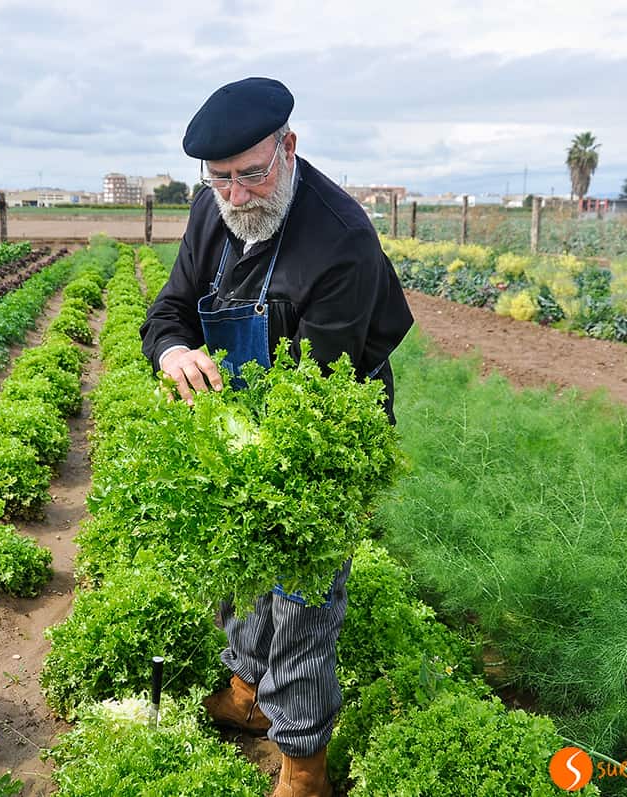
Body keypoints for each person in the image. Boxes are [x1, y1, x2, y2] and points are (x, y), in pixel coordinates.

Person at [139, 76, 413, 797]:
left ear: (287, 149)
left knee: (301, 598)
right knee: (241, 572)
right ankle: (247, 690)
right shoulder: (213, 209)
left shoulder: (342, 239)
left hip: (319, 428)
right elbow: (169, 309)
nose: (234, 196)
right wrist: (174, 352)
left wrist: (249, 449)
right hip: (240, 425)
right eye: (219, 179)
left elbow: (321, 386)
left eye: (250, 175)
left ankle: (303, 761)